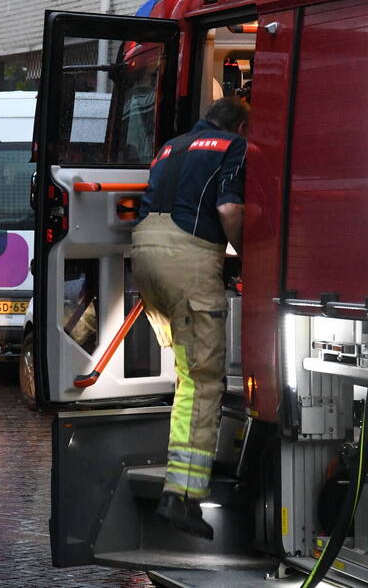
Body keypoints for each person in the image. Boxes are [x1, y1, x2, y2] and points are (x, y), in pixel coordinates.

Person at [131, 96, 249, 540]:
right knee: (204, 380)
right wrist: (249, 255)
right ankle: (181, 496)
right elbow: (228, 209)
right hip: (187, 259)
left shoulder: (170, 146)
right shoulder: (234, 145)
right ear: (239, 126)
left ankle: (177, 485)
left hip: (144, 256)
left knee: (187, 375)